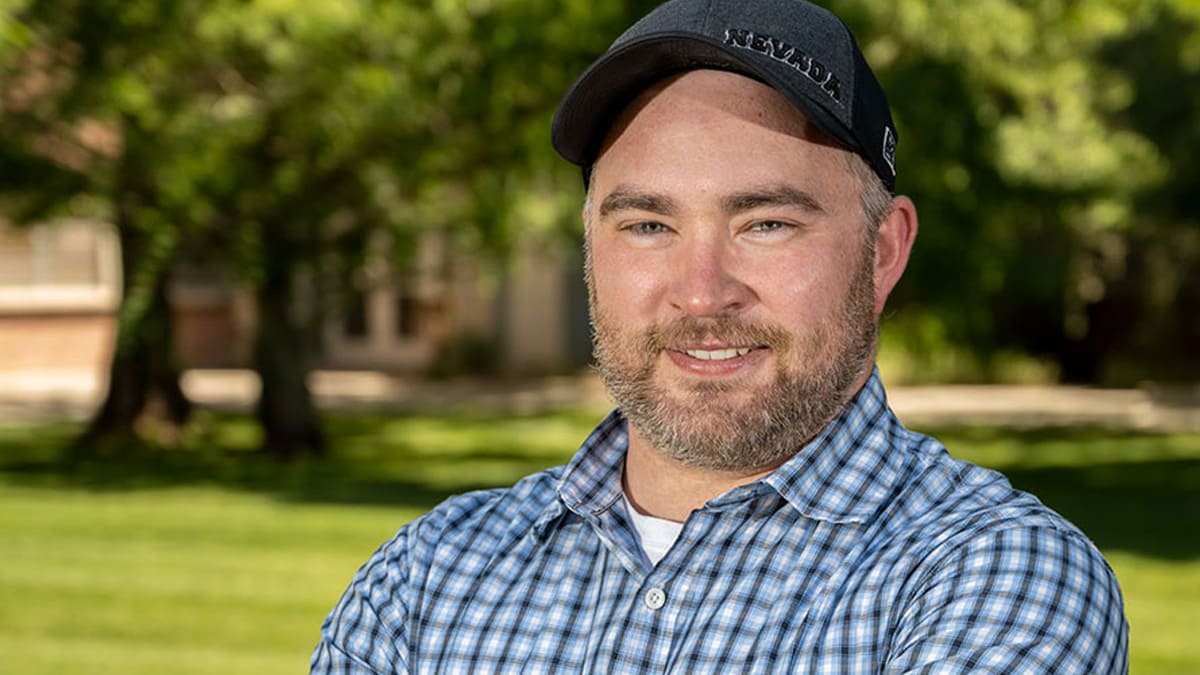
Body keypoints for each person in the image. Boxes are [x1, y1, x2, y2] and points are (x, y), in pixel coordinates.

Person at [312, 0, 1129, 672]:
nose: (702, 292)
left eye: (766, 222)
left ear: (884, 251)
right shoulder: (431, 575)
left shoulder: (997, 577)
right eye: (647, 224)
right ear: (590, 247)